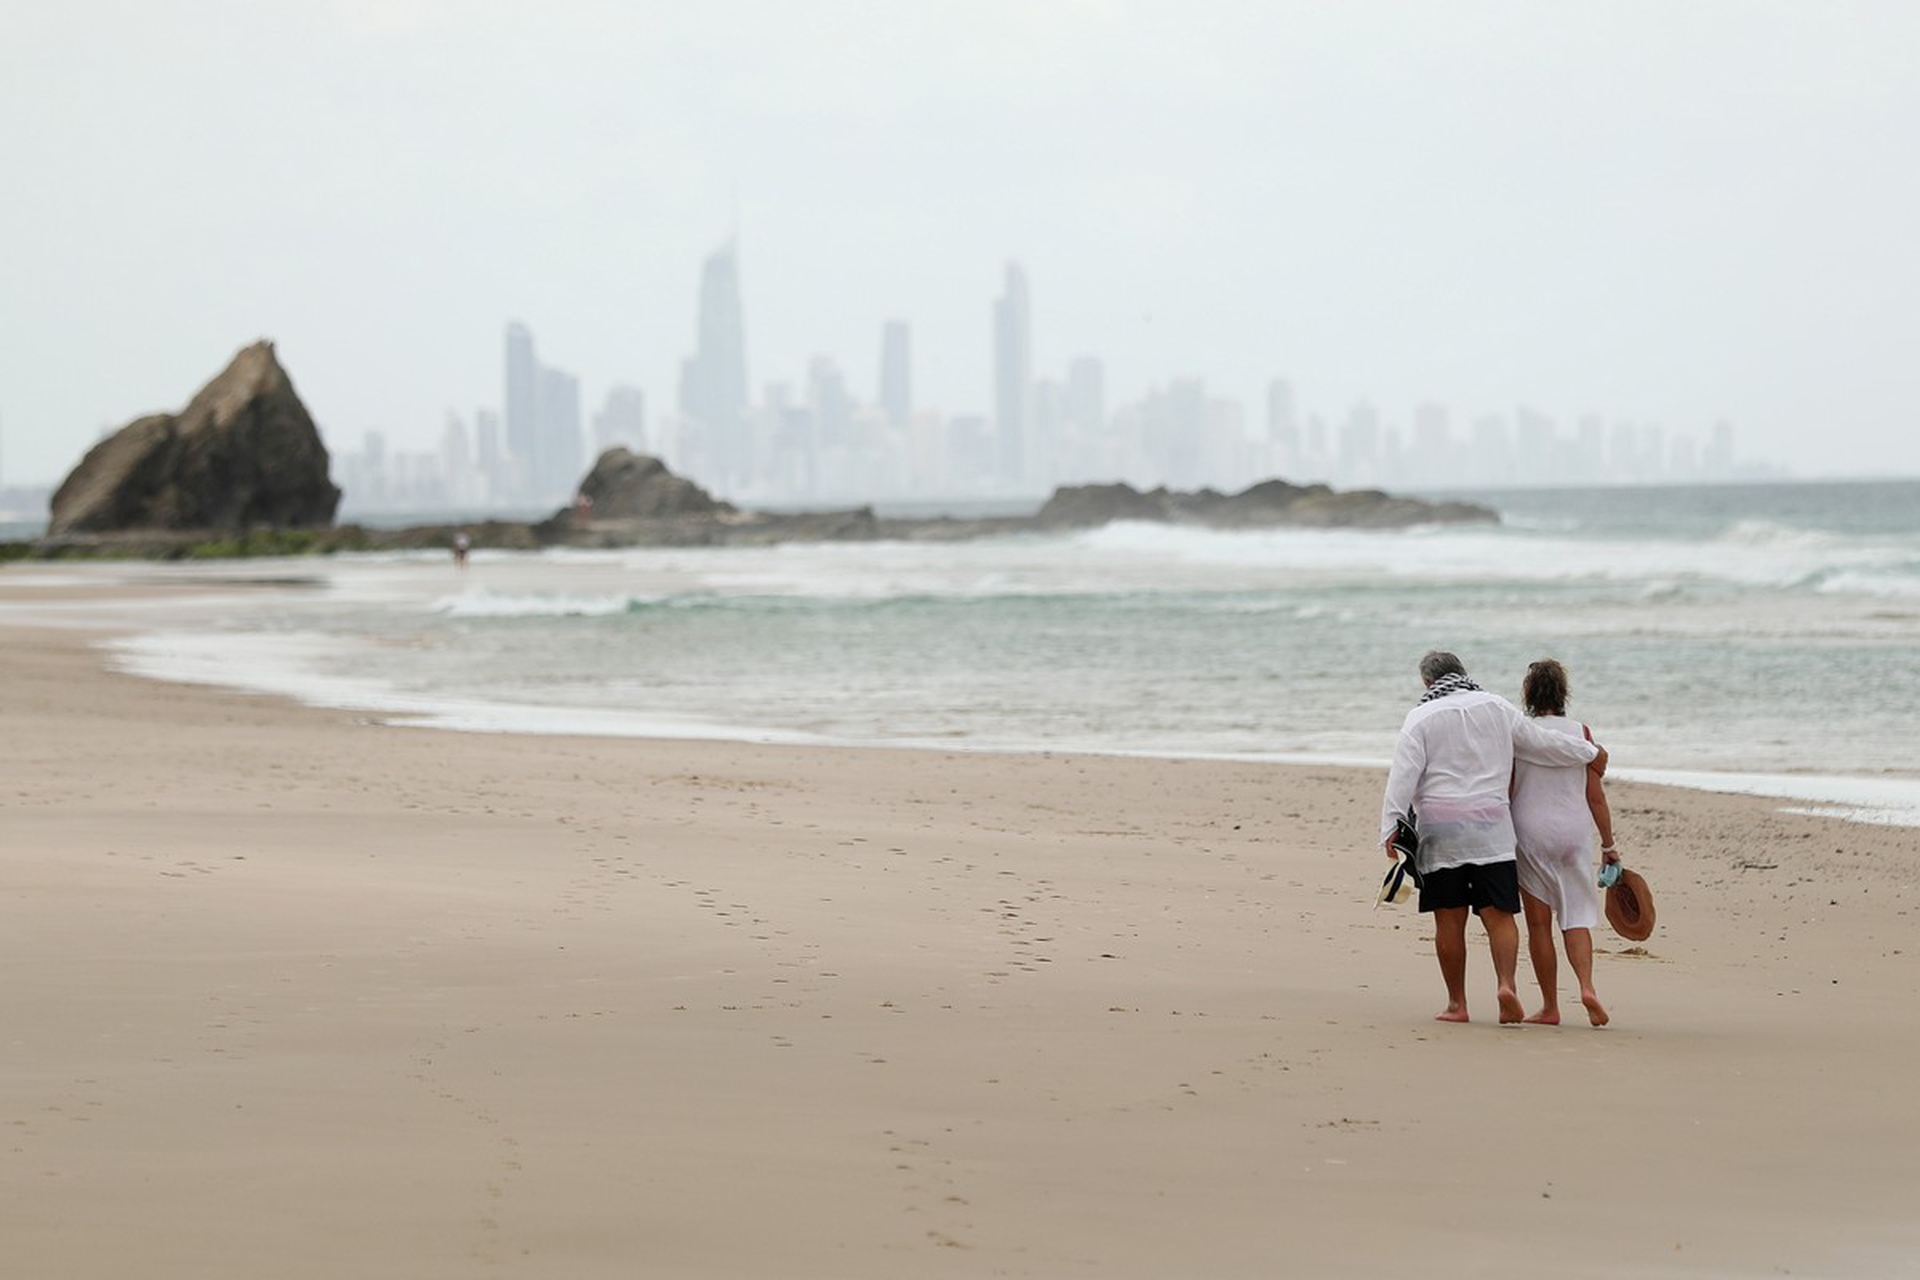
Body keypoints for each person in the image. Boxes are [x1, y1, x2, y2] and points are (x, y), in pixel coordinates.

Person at [1380, 651, 1607, 1024]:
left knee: (1448, 920)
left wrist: (1390, 826)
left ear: (1427, 683)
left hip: (1441, 830)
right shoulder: (1497, 707)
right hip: (1493, 828)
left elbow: (1403, 776)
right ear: (1463, 674)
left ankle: (1458, 1004)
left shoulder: (1419, 717)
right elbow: (1542, 743)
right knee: (1499, 916)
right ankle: (1507, 986)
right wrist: (1590, 752)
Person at [1510, 659, 1619, 1027]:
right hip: (1573, 832)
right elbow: (1595, 797)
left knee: (1539, 925)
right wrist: (1608, 845)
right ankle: (1587, 988)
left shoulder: (1520, 733)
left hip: (1530, 831)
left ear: (1528, 694)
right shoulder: (1581, 733)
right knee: (1576, 918)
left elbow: (1508, 789)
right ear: (1563, 693)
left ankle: (1550, 1006)